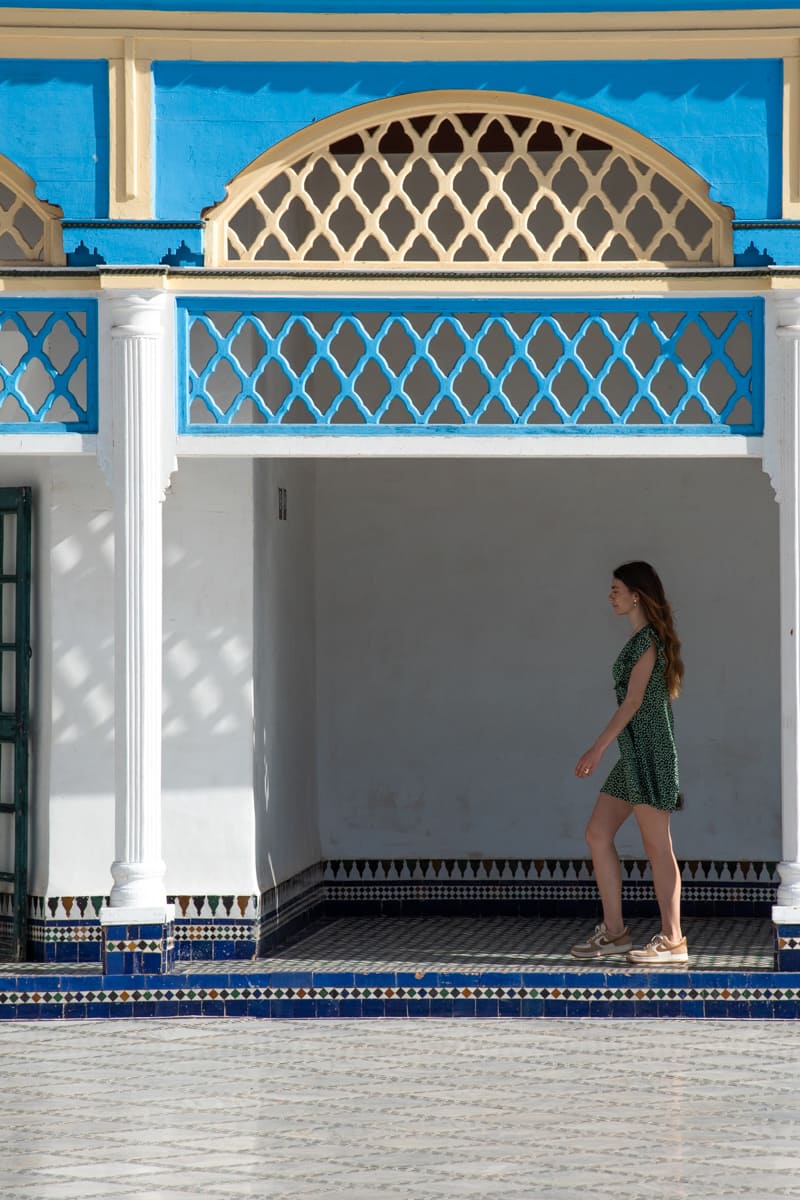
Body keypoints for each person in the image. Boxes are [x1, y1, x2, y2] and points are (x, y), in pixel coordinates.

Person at [571, 561, 687, 964]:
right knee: (597, 833)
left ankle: (673, 940)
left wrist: (597, 748)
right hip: (633, 754)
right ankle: (615, 932)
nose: (611, 595)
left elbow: (634, 701)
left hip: (650, 754)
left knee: (658, 847)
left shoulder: (649, 640)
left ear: (636, 594)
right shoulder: (639, 639)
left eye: (616, 588)